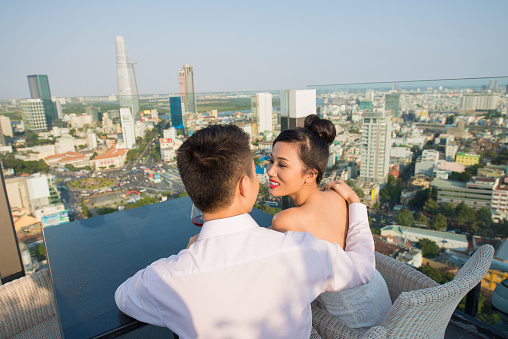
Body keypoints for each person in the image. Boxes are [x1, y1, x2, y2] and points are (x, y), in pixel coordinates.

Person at [115, 124, 374, 338]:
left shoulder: (167, 278)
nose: (269, 172)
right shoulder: (302, 251)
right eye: (257, 170)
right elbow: (362, 267)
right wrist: (357, 206)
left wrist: (188, 253)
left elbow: (123, 297)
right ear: (244, 185)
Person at [267, 114, 392, 334]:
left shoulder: (287, 220)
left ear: (311, 174)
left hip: (353, 319)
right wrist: (355, 200)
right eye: (271, 160)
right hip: (380, 298)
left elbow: (253, 249)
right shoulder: (338, 196)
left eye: (282, 165)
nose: (270, 171)